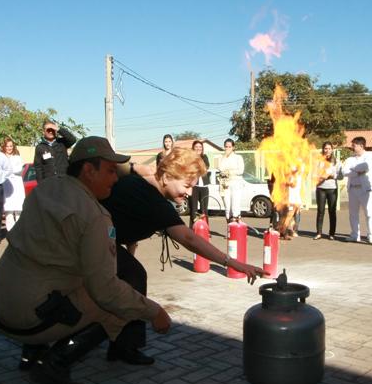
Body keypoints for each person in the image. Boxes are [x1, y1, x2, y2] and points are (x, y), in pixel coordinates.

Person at [0, 137, 173, 384]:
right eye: (109, 171)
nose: (115, 179)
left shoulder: (45, 189)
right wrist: (154, 311)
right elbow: (106, 290)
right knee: (118, 300)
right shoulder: (94, 215)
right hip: (27, 319)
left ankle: (32, 352)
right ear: (88, 171)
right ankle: (55, 364)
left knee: (61, 277)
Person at [100, 147, 263, 365]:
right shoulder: (155, 201)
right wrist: (232, 262)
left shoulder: (144, 187)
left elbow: (126, 221)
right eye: (186, 185)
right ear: (166, 177)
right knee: (127, 284)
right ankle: (62, 357)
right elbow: (189, 239)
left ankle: (123, 346)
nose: (188, 192)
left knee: (134, 277)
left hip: (106, 240)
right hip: (90, 241)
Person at [342, 137, 372, 244]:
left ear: (361, 146)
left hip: (364, 189)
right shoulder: (349, 159)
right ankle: (355, 235)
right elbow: (344, 171)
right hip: (352, 189)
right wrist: (357, 171)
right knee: (353, 214)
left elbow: (365, 166)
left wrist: (352, 169)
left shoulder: (369, 157)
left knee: (369, 213)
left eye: (354, 145)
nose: (352, 147)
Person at [313, 142, 340, 240]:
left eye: (329, 148)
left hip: (332, 188)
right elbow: (314, 173)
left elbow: (340, 175)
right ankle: (319, 232)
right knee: (320, 211)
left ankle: (332, 233)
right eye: (325, 148)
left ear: (332, 150)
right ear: (323, 149)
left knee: (332, 211)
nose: (327, 150)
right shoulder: (318, 161)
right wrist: (320, 176)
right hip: (321, 188)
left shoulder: (336, 161)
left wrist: (332, 176)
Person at [215, 138, 245, 221]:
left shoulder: (238, 157)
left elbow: (241, 170)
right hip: (225, 184)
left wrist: (229, 172)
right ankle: (229, 227)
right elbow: (220, 168)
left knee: (235, 205)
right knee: (227, 207)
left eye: (229, 146)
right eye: (226, 146)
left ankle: (236, 223)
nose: (227, 148)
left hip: (236, 183)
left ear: (233, 147)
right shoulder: (221, 158)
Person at [1, 137, 26, 231]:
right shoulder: (1, 157)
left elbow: (19, 169)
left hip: (17, 186)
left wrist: (8, 170)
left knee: (18, 210)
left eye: (11, 146)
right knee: (9, 212)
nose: (9, 148)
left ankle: (19, 230)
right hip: (6, 186)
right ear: (4, 147)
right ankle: (11, 231)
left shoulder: (17, 157)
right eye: (7, 146)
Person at [188, 140, 210, 223]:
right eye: (196, 147)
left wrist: (197, 167)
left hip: (204, 187)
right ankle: (192, 230)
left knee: (204, 210)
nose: (198, 148)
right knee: (193, 209)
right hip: (194, 186)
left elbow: (206, 167)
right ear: (193, 148)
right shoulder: (190, 158)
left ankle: (206, 230)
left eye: (200, 147)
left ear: (202, 148)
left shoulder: (205, 157)